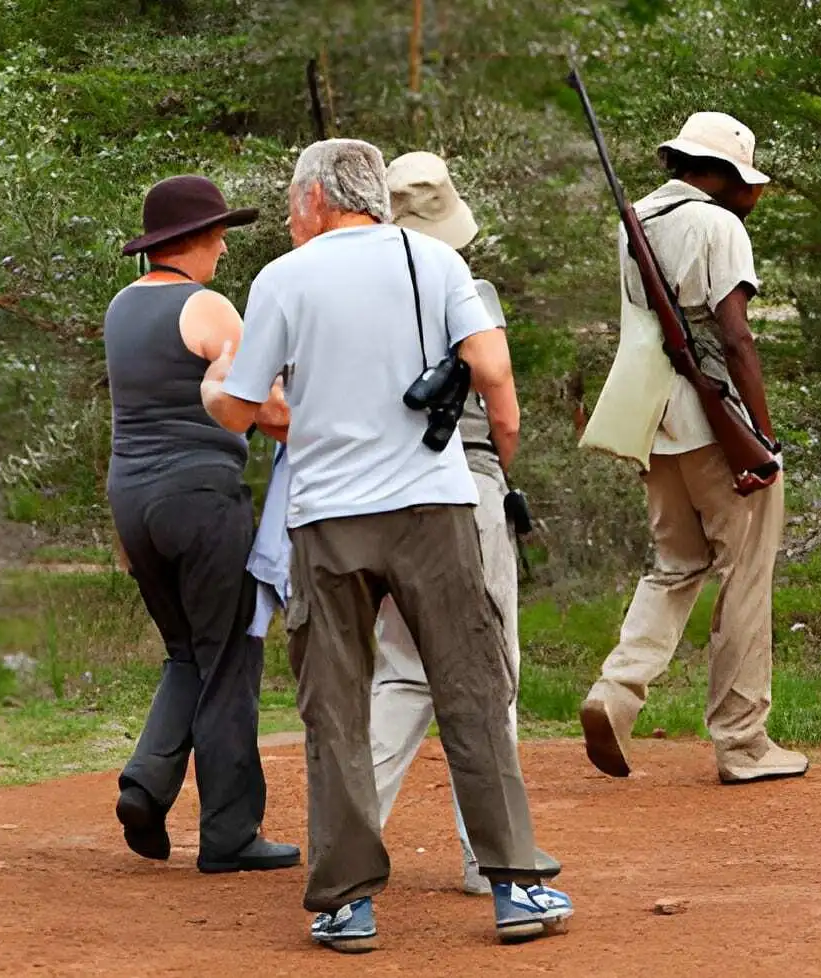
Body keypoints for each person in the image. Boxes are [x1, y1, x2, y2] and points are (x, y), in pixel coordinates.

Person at [201, 139, 573, 953]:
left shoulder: (281, 280)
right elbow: (489, 362)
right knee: (472, 689)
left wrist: (220, 381)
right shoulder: (434, 264)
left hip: (327, 518)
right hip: (433, 509)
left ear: (316, 199)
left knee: (334, 709)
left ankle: (348, 902)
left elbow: (238, 411)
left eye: (294, 201)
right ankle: (515, 886)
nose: (292, 214)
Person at [575, 112, 808, 785]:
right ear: (727, 175)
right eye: (750, 182)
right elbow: (734, 337)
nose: (755, 196)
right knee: (745, 572)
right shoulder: (718, 226)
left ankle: (616, 694)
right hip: (715, 424)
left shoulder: (636, 222)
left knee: (675, 564)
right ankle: (743, 740)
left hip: (652, 421)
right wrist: (761, 438)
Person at [105, 174, 300, 875]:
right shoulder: (207, 306)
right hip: (200, 498)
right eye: (218, 233)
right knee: (230, 658)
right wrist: (329, 431)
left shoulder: (122, 307)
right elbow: (262, 405)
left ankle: (146, 784)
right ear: (194, 239)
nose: (223, 246)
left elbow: (128, 417)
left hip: (133, 497)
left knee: (188, 651)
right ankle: (230, 832)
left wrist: (124, 531)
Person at [367, 151, 521, 897]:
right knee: (489, 674)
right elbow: (503, 405)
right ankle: (490, 855)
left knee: (400, 672)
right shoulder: (470, 288)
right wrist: (498, 465)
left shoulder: (352, 298)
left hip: (379, 497)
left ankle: (349, 842)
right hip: (464, 487)